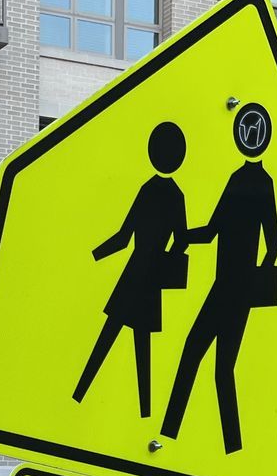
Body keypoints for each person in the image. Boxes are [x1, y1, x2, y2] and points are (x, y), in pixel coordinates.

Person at [160, 103, 277, 454]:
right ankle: (229, 445)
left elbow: (273, 243)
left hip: (231, 288)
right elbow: (218, 231)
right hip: (231, 287)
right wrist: (185, 237)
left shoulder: (255, 183)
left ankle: (173, 432)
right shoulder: (242, 180)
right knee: (219, 367)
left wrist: (253, 280)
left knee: (196, 354)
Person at [74, 121, 192, 419]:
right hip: (150, 279)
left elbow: (123, 237)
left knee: (109, 337)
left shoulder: (149, 190)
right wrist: (166, 261)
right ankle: (144, 414)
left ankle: (80, 393)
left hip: (136, 273)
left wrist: (93, 255)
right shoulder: (177, 196)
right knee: (142, 349)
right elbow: (182, 242)